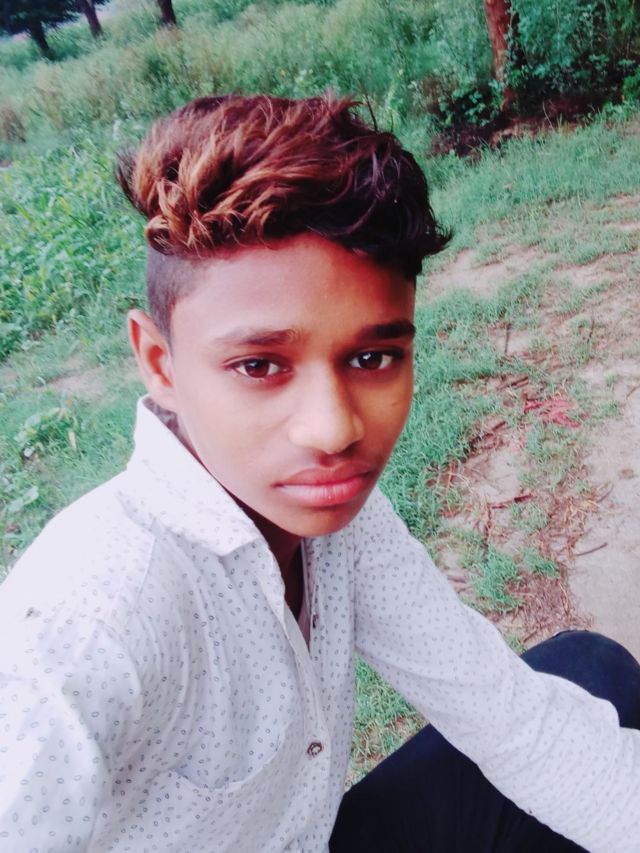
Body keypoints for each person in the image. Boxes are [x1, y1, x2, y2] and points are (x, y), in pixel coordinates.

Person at [0, 93, 639, 853]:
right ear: (160, 364)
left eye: (372, 357)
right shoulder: (87, 621)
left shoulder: (339, 522)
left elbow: (511, 721)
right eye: (259, 365)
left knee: (589, 672)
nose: (335, 430)